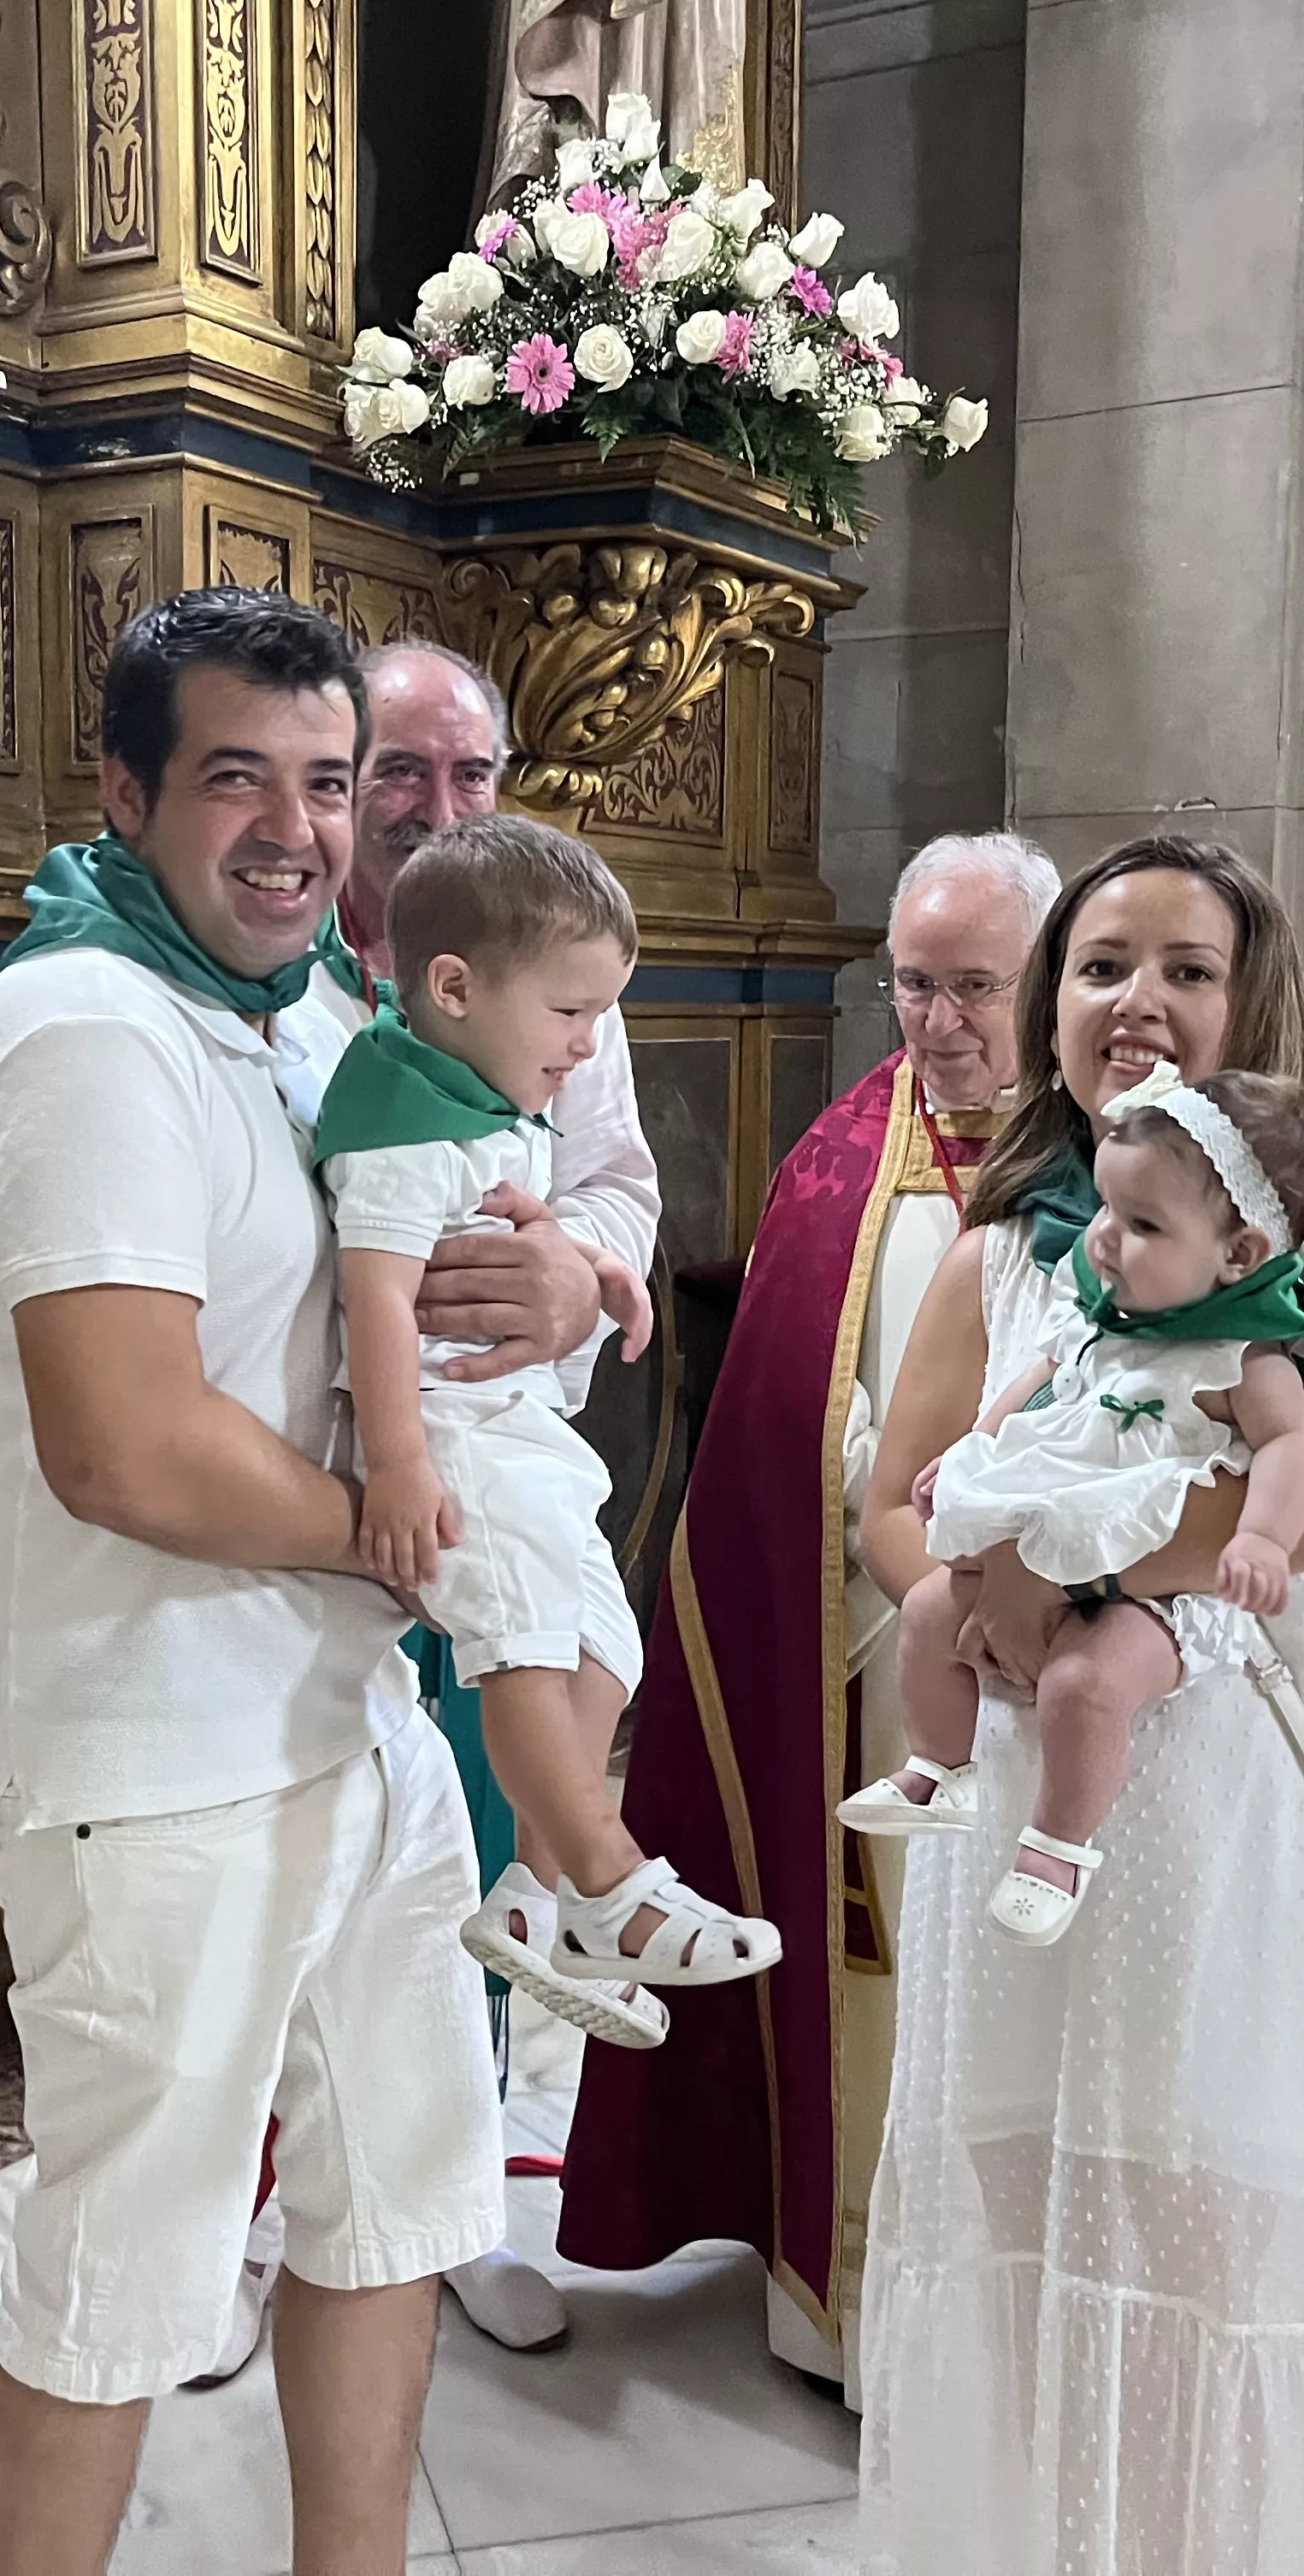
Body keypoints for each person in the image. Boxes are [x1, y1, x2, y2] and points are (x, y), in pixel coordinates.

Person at [0, 587, 498, 2576]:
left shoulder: (317, 1019)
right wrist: (400, 1532)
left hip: (348, 1721)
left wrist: (524, 1286)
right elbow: (126, 1437)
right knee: (126, 2281)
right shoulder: (87, 1026)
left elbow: (385, 1297)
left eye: (330, 785)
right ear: (127, 790)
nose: (295, 829)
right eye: (238, 778)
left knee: (398, 2207)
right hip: (159, 1759)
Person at [855, 839, 1304, 2570]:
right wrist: (966, 1601)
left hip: (1218, 1805)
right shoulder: (999, 1252)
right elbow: (893, 1499)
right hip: (1025, 1798)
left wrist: (1056, 1579)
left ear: (1254, 999)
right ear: (1054, 1003)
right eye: (1104, 965)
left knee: (1213, 2243)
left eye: (1188, 966)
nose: (1143, 1002)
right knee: (1026, 2224)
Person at [209, 640, 665, 2375]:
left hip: (477, 1473)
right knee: (288, 1863)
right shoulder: (275, 960)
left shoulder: (549, 972)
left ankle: (446, 2199)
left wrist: (575, 1281)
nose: (439, 803)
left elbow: (614, 1182)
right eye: (402, 769)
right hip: (303, 1499)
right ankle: (252, 2222)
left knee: (472, 1847)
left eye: (473, 775)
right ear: (339, 775)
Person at [557, 832, 1058, 2397]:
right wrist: (911, 1546)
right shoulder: (843, 1160)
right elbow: (794, 1420)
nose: (936, 1019)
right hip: (876, 1650)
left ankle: (1013, 2311)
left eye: (973, 985)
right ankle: (849, 2304)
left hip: (1059, 1665)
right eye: (911, 982)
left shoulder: (1117, 1158)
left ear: (1039, 978)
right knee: (876, 1969)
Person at [323, 813, 781, 2036]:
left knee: (602, 1640)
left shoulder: (480, 1069)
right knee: (523, 1641)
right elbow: (376, 1299)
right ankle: (610, 1876)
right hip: (451, 1428)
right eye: (571, 1019)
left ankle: (532, 1894)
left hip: (518, 1418)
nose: (586, 1049)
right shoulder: (404, 1115)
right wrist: (401, 1464)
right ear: (457, 986)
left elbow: (583, 1194)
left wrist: (592, 1268)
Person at [847, 1069, 1304, 1948]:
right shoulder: (1094, 1319)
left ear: (1238, 1254)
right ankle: (940, 1764)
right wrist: (969, 1461)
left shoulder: (1243, 1358)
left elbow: (1296, 1446)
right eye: (1109, 1212)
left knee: (1087, 1683)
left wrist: (1265, 1536)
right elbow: (1030, 1389)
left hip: (1150, 1585)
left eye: (1142, 1224)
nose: (1106, 1240)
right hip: (1048, 1524)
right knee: (929, 1611)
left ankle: (1059, 1846)